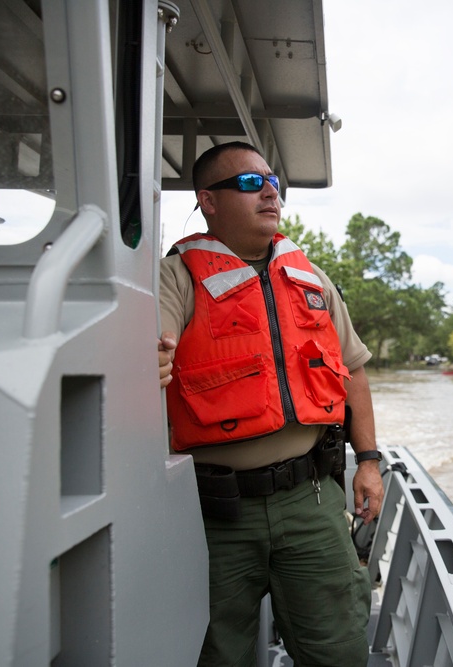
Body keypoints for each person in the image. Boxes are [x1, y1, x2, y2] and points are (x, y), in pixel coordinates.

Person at [157, 141, 383, 667]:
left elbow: (354, 374)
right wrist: (151, 353)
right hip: (213, 512)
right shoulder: (177, 277)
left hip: (310, 498)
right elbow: (155, 339)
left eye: (272, 182)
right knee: (218, 652)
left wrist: (368, 462)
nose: (267, 192)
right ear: (207, 201)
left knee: (339, 649)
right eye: (247, 183)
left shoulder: (311, 279)